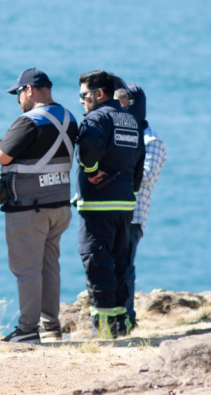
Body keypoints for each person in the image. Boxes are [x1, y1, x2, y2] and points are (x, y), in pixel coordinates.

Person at [0, 68, 78, 344]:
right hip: (60, 205)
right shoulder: (69, 118)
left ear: (29, 90)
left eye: (18, 93)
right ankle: (51, 326)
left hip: (29, 208)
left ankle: (28, 329)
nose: (18, 100)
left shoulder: (28, 121)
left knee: (27, 269)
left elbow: (1, 156)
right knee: (50, 266)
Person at [76, 71, 145, 339]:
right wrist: (129, 191)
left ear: (99, 94)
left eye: (84, 95)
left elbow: (88, 146)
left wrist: (91, 170)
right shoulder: (131, 120)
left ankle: (103, 331)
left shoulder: (97, 118)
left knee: (97, 263)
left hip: (98, 204)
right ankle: (120, 326)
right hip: (124, 204)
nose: (81, 100)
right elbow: (138, 162)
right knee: (119, 265)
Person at [119, 84, 167, 327]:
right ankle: (115, 319)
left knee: (124, 267)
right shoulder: (121, 135)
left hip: (134, 216)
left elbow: (145, 177)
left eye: (123, 104)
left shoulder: (152, 141)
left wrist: (115, 166)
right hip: (115, 210)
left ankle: (127, 320)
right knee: (111, 266)